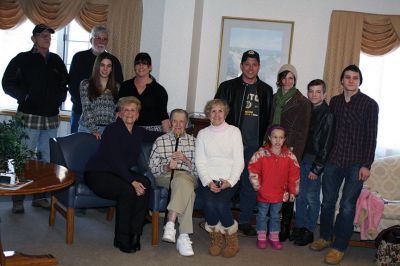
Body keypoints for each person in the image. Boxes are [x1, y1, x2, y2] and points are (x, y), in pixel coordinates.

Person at [310, 65, 379, 265]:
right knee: (327, 203)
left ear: (359, 81)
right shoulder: (335, 102)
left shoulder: (370, 105)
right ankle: (324, 237)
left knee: (347, 207)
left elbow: (371, 138)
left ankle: (339, 246)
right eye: (347, 77)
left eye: (355, 78)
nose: (351, 81)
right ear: (341, 81)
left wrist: (367, 165)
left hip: (356, 164)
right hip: (334, 160)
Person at [2, 24, 68, 214]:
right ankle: (18, 199)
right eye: (43, 35)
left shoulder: (56, 60)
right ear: (33, 38)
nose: (47, 38)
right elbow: (7, 83)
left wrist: (60, 97)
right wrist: (25, 96)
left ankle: (40, 197)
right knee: (24, 158)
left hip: (51, 117)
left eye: (49, 35)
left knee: (46, 159)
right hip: (28, 116)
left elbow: (65, 82)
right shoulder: (22, 59)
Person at [84, 96, 161, 253]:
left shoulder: (138, 131)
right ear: (119, 113)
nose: (129, 113)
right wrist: (131, 181)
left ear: (138, 115)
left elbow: (157, 136)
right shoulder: (112, 129)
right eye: (126, 109)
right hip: (98, 173)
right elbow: (115, 160)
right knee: (128, 190)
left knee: (145, 183)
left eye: (133, 110)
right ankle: (121, 239)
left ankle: (135, 234)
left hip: (119, 174)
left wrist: (174, 131)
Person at [214, 50, 273, 236]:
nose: (250, 68)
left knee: (249, 183)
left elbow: (270, 119)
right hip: (230, 144)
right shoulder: (227, 87)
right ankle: (218, 219)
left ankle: (246, 221)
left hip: (254, 146)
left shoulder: (266, 90)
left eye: (254, 64)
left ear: (259, 67)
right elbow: (216, 114)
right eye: (247, 64)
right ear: (241, 66)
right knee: (227, 180)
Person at [195, 99, 244, 258]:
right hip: (208, 179)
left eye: (220, 111)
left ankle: (231, 240)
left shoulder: (234, 131)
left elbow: (239, 161)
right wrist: (208, 181)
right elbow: (200, 162)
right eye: (213, 111)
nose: (217, 114)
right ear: (208, 114)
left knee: (221, 203)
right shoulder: (202, 134)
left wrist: (230, 181)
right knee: (209, 203)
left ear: (226, 113)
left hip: (229, 179)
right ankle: (216, 239)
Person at [270, 64, 312, 242]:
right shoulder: (274, 98)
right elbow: (269, 123)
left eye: (291, 78)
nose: (287, 81)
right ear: (279, 79)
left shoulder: (303, 101)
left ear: (295, 80)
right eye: (284, 77)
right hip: (272, 148)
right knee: (273, 187)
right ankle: (272, 223)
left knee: (288, 189)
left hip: (290, 151)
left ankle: (285, 226)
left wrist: (295, 153)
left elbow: (303, 131)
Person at [149, 109, 197, 256]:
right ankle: (183, 236)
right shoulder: (160, 141)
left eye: (181, 121)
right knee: (187, 190)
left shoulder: (195, 142)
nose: (178, 124)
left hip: (188, 175)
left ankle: (170, 223)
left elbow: (200, 170)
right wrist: (167, 166)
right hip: (166, 176)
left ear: (186, 123)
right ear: (170, 123)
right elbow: (152, 169)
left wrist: (185, 160)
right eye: (175, 121)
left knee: (183, 181)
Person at [293, 79, 334, 246]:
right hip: (301, 160)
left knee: (311, 197)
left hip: (313, 163)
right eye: (311, 91)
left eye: (318, 92)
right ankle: (300, 226)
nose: (314, 95)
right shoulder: (306, 110)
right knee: (300, 196)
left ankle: (309, 229)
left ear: (324, 94)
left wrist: (317, 169)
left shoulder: (327, 114)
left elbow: (326, 144)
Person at [248, 125, 300, 250]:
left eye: (281, 138)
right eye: (275, 137)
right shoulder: (260, 154)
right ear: (270, 138)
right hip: (264, 193)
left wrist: (293, 191)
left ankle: (274, 237)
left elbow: (294, 175)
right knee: (262, 215)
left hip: (280, 193)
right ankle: (261, 236)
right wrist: (258, 186)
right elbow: (253, 169)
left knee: (276, 216)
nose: (278, 140)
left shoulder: (290, 156)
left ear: (284, 139)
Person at [69, 25, 123, 133]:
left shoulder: (114, 60)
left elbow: (118, 89)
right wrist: (86, 107)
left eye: (104, 39)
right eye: (98, 38)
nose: (101, 41)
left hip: (106, 120)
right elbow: (72, 85)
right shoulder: (79, 58)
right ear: (91, 39)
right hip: (81, 113)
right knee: (76, 148)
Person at [118, 52, 170, 132]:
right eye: (138, 63)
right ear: (134, 67)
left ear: (150, 68)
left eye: (144, 64)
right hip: (128, 129)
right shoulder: (125, 86)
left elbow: (164, 117)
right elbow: (118, 112)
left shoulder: (159, 90)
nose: (141, 66)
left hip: (152, 131)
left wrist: (167, 139)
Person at [78, 52, 119, 139]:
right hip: (87, 129)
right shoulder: (86, 84)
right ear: (97, 66)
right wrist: (94, 130)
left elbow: (116, 111)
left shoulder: (117, 87)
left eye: (108, 66)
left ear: (112, 68)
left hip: (108, 131)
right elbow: (86, 109)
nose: (105, 69)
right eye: (102, 65)